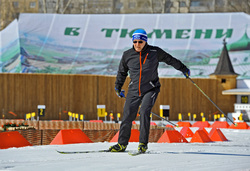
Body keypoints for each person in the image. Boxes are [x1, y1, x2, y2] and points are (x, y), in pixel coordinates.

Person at [109, 29, 190, 153]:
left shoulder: (154, 52)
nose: (137, 44)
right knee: (127, 116)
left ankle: (142, 144)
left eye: (140, 41)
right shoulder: (127, 55)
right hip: (134, 89)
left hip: (151, 88)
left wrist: (183, 68)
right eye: (135, 41)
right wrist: (118, 87)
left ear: (145, 41)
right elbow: (122, 72)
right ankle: (121, 144)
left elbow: (170, 60)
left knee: (144, 112)